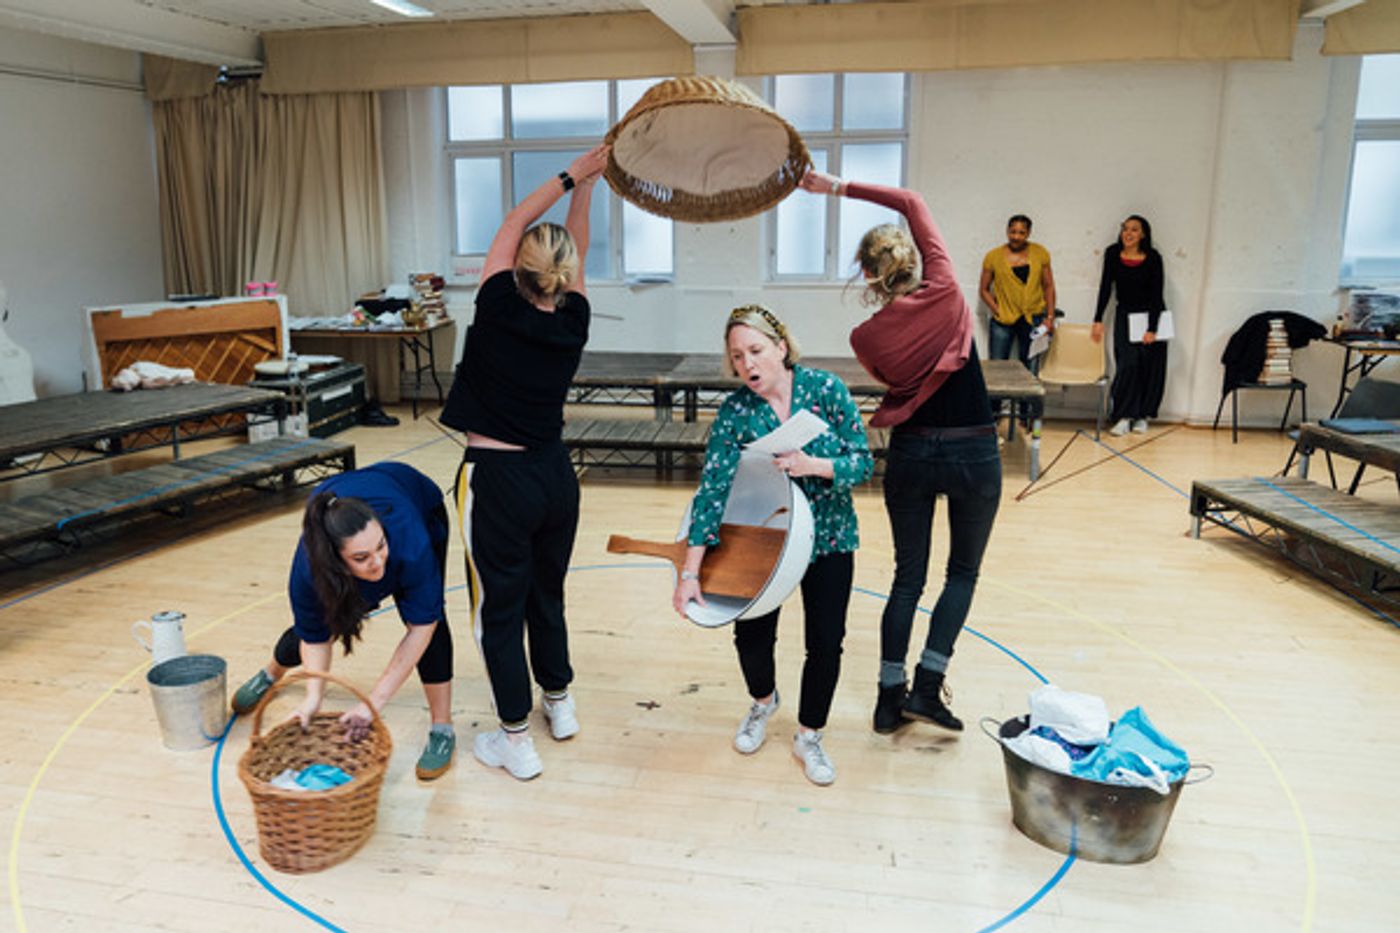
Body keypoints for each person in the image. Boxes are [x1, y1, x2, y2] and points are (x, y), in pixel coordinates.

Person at [800, 169, 1001, 737]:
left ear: (867, 274)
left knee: (907, 579)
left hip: (911, 453)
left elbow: (894, 379)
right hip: (974, 454)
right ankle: (928, 691)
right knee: (962, 572)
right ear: (911, 259)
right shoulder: (948, 290)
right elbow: (912, 199)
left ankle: (890, 698)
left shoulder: (864, 338)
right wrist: (834, 187)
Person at [437, 143, 609, 781]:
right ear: (562, 278)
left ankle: (515, 738)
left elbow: (513, 222)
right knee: (548, 593)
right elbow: (577, 252)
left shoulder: (497, 304)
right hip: (555, 479)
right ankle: (558, 704)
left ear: (518, 270)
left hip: (499, 480)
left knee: (497, 611)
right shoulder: (575, 319)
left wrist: (574, 172)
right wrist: (591, 189)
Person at [672, 305, 872, 786]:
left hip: (829, 538)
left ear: (781, 347)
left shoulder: (826, 390)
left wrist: (815, 466)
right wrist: (689, 572)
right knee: (751, 637)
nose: (748, 365)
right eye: (738, 357)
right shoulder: (736, 413)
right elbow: (712, 493)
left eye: (756, 351)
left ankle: (809, 734)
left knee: (826, 641)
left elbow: (862, 462)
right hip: (764, 542)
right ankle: (764, 701)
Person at [231, 462, 456, 780]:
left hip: (416, 500)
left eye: (381, 547)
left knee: (430, 617)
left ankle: (442, 728)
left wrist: (372, 704)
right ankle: (271, 674)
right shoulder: (308, 570)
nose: (378, 562)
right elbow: (314, 636)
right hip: (350, 528)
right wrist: (314, 696)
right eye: (362, 558)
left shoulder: (408, 540)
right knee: (315, 624)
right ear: (334, 560)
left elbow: (423, 627)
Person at [1091, 214, 1167, 436]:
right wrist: (1098, 318)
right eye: (1125, 228)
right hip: (1125, 314)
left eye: (1134, 229)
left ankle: (1142, 416)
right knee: (1128, 364)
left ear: (1143, 234)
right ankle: (1124, 415)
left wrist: (1152, 328)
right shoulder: (1113, 254)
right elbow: (1106, 287)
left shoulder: (1153, 258)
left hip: (1150, 315)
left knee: (1148, 367)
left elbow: (1156, 294)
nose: (1129, 233)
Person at [979, 214, 1056, 424]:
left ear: (1028, 233)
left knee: (1029, 366)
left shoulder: (1040, 253)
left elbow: (1048, 286)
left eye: (1021, 232)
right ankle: (993, 416)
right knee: (997, 367)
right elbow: (984, 289)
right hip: (1003, 321)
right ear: (1007, 231)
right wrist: (997, 309)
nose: (1016, 236)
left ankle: (1027, 416)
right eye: (1013, 231)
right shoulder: (993, 256)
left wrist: (1049, 317)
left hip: (1034, 319)